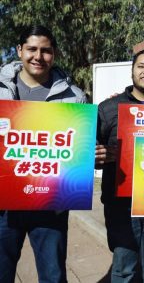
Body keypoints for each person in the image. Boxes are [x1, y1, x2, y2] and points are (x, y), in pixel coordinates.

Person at [0, 25, 86, 283]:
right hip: (4, 206)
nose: (38, 56)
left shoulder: (75, 97)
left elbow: (78, 149)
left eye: (46, 50)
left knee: (53, 276)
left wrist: (92, 154)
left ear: (54, 54)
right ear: (19, 50)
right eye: (32, 49)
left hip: (51, 206)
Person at [95, 50, 144, 283]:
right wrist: (98, 155)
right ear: (132, 70)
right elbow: (89, 151)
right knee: (123, 270)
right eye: (141, 66)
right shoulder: (109, 108)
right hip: (120, 203)